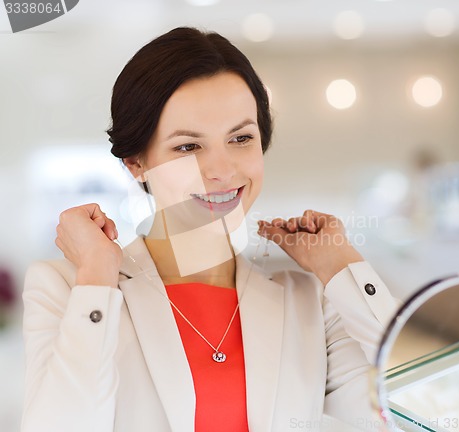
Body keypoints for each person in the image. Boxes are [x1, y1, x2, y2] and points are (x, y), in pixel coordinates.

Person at [21, 27, 399, 432]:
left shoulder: (309, 302)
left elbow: (413, 409)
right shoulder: (70, 290)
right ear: (136, 163)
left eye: (241, 138)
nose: (222, 170)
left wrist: (344, 267)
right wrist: (97, 273)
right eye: (188, 146)